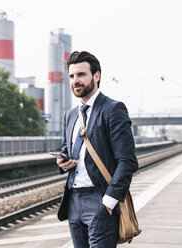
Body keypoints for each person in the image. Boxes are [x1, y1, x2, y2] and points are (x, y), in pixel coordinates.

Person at [56, 51, 138, 247]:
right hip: (74, 201)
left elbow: (127, 161)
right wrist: (62, 162)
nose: (76, 80)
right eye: (72, 76)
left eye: (81, 75)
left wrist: (109, 201)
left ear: (96, 76)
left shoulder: (113, 109)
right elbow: (66, 150)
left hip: (100, 199)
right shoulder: (70, 115)